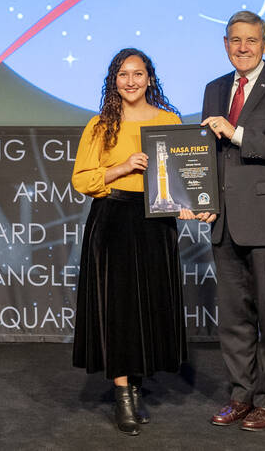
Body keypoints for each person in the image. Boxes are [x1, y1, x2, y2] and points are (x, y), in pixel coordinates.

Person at [72, 47, 193, 436]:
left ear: (150, 78)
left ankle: (137, 384)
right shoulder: (100, 124)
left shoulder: (169, 120)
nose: (131, 81)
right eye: (123, 74)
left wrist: (190, 203)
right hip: (114, 220)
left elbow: (181, 175)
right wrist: (122, 167)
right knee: (119, 309)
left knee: (150, 303)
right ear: (114, 80)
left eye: (138, 74)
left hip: (156, 223)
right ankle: (123, 396)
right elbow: (82, 180)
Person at [199, 10, 265, 432]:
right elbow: (208, 154)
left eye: (251, 40)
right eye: (235, 40)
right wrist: (201, 198)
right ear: (226, 44)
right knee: (233, 318)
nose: (242, 47)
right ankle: (241, 395)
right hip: (224, 221)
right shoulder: (214, 88)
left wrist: (237, 131)